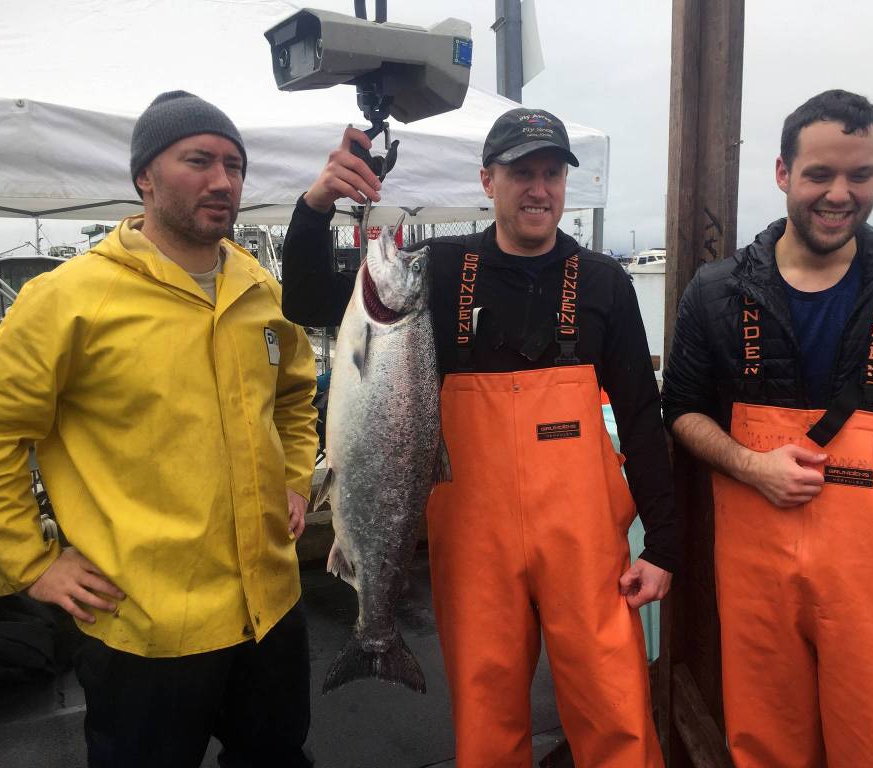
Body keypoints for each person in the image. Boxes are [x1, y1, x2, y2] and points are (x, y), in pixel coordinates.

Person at [282, 110, 677, 767]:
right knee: (486, 718)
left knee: (616, 712)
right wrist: (317, 205)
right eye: (522, 172)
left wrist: (664, 544)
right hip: (473, 542)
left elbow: (639, 416)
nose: (539, 188)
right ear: (487, 181)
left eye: (551, 173)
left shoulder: (604, 281)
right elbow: (306, 298)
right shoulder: (434, 270)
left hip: (585, 547)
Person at [661, 89, 873, 767]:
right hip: (757, 580)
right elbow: (681, 409)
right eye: (820, 174)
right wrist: (750, 464)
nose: (839, 193)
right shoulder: (716, 290)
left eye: (860, 174)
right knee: (767, 747)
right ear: (783, 172)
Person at [0, 91, 319, 768]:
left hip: (271, 609)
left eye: (233, 164)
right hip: (146, 629)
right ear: (145, 176)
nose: (222, 181)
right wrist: (29, 563)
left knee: (275, 759)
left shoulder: (259, 291)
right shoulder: (69, 298)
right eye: (198, 160)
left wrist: (296, 481)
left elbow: (294, 397)